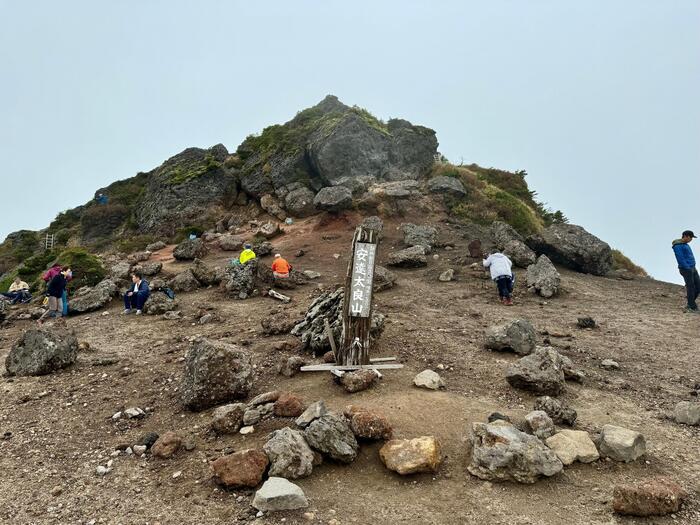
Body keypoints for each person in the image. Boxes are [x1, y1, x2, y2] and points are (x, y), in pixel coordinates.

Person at [672, 230, 699, 313]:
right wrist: (687, 268)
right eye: (691, 238)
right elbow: (680, 258)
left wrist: (693, 267)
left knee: (698, 287)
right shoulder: (677, 246)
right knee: (691, 287)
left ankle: (690, 303)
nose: (691, 240)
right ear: (686, 236)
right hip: (686, 269)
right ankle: (691, 307)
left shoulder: (685, 245)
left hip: (693, 268)